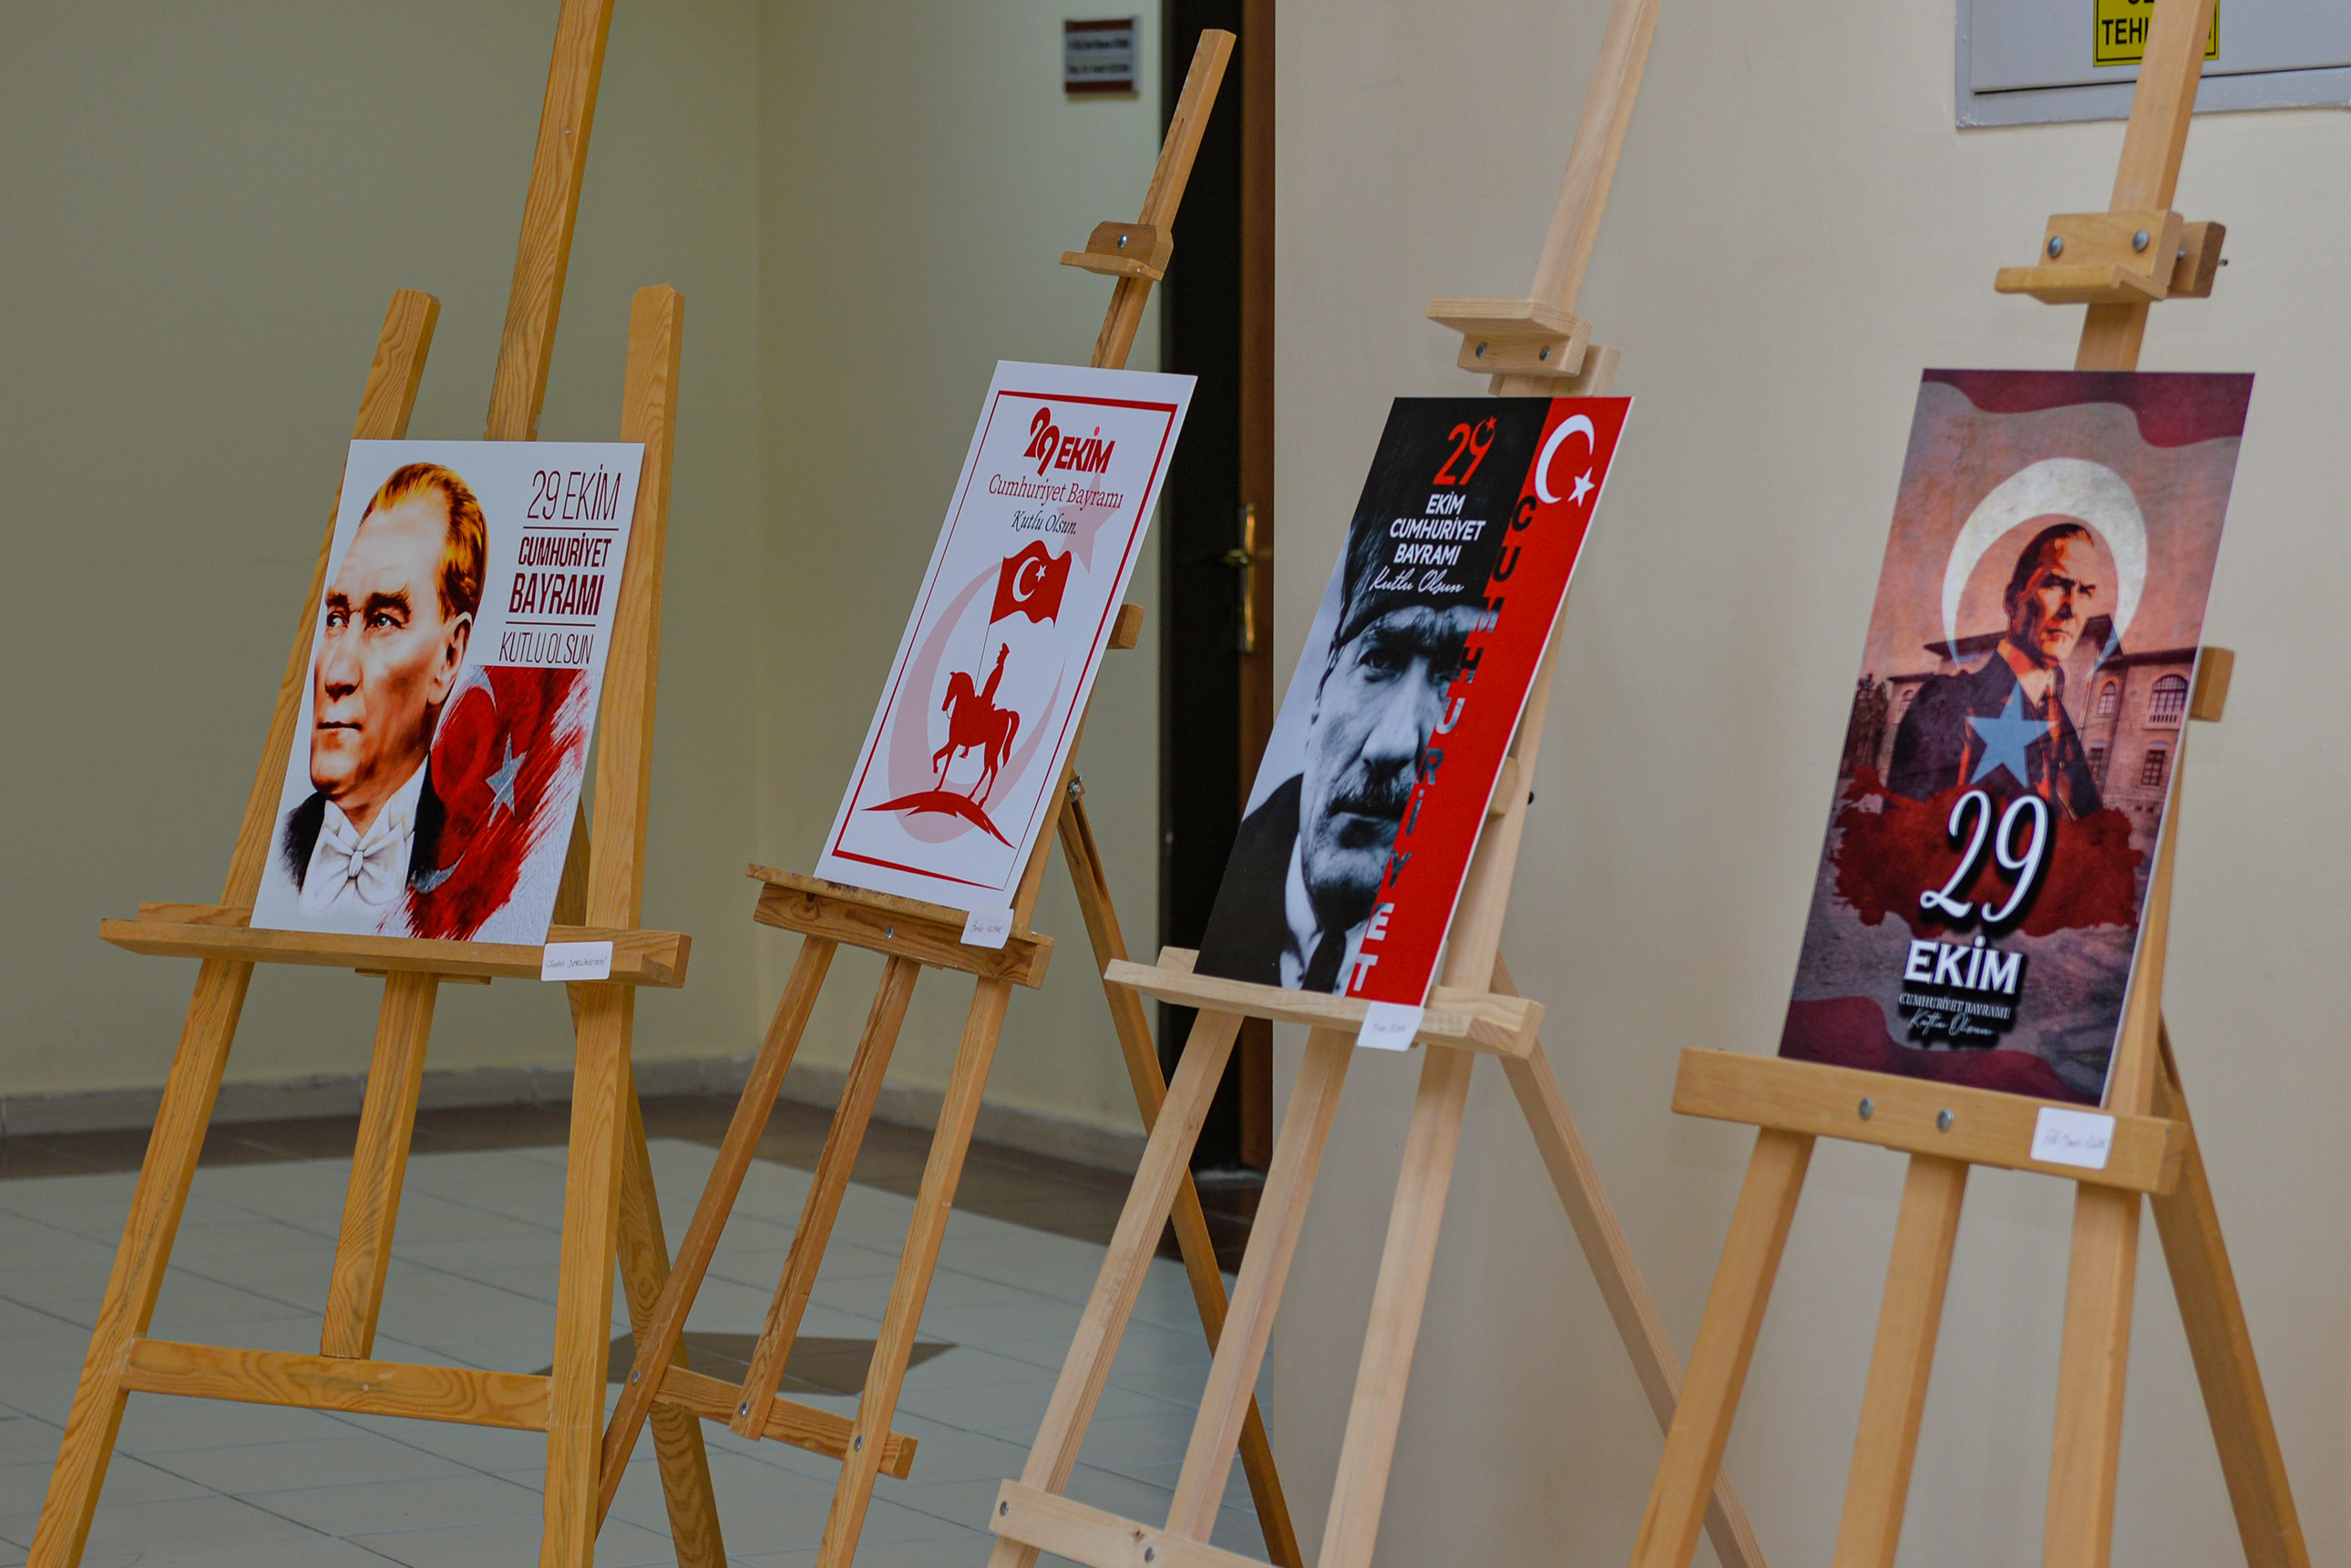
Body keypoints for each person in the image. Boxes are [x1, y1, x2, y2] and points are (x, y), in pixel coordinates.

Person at [1196, 519, 1484, 993]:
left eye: (1458, 675)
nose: (1389, 745)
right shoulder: (1225, 900)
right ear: (1322, 690)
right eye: (1379, 659)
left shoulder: (1471, 922)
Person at [280, 463, 488, 917]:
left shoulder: (468, 857)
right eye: (336, 618)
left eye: (383, 621)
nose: (336, 674)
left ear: (449, 656)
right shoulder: (279, 853)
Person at [1887, 521, 2103, 817]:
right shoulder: (1947, 703)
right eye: (2056, 584)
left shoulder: (2059, 721)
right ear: (2013, 601)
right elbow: (1906, 835)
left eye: (2085, 592)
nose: (2072, 608)